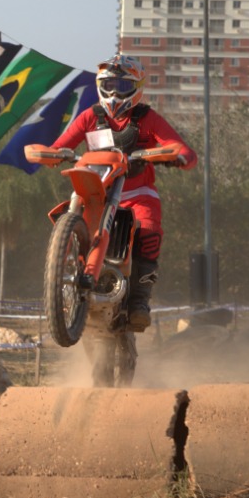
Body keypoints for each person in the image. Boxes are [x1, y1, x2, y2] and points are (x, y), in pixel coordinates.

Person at [46, 54, 197, 332]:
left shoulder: (147, 118)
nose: (115, 93)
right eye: (109, 85)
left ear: (137, 88)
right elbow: (61, 144)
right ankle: (60, 279)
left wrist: (181, 156)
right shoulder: (91, 116)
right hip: (95, 189)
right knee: (65, 212)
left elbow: (178, 145)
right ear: (100, 86)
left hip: (137, 191)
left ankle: (140, 299)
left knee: (149, 230)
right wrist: (51, 153)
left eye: (122, 86)